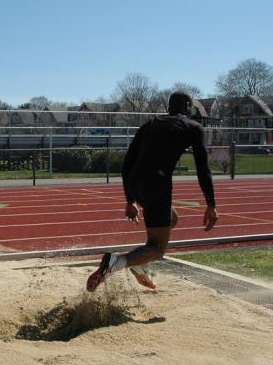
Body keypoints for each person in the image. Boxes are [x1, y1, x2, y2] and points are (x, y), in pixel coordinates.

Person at [87, 92, 219, 291]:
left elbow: (128, 161)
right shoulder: (194, 127)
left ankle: (140, 264)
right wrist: (211, 204)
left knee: (172, 219)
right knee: (157, 248)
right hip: (157, 184)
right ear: (188, 107)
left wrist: (129, 199)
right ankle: (117, 262)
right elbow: (203, 169)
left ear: (169, 107)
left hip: (135, 181)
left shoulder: (149, 124)